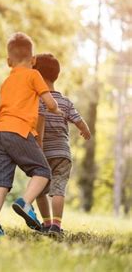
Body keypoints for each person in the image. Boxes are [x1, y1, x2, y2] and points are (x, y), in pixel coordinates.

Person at [0, 32, 62, 238]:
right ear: (33, 60)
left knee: (0, 181)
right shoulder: (34, 75)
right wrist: (57, 109)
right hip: (19, 131)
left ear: (9, 61)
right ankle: (25, 202)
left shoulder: (7, 81)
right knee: (43, 172)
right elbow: (50, 103)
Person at [33, 53, 91, 235]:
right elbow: (79, 120)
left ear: (37, 76)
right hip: (62, 154)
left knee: (40, 191)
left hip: (42, 153)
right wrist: (85, 130)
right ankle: (56, 226)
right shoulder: (65, 102)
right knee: (58, 189)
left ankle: (47, 223)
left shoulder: (37, 100)